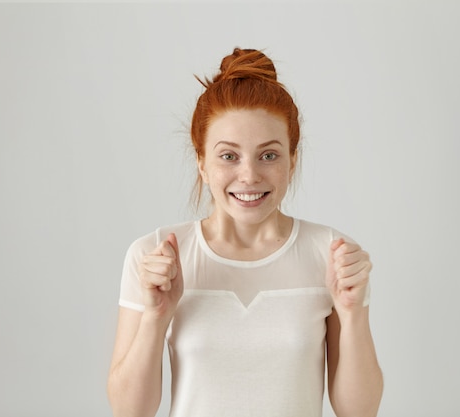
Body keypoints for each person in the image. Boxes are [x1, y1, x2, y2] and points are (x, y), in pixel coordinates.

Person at [107, 47, 383, 417]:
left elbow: (359, 412)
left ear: (292, 160)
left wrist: (352, 314)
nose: (249, 175)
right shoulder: (155, 256)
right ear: (202, 162)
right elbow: (129, 411)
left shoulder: (331, 254)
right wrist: (155, 318)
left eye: (268, 155)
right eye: (228, 156)